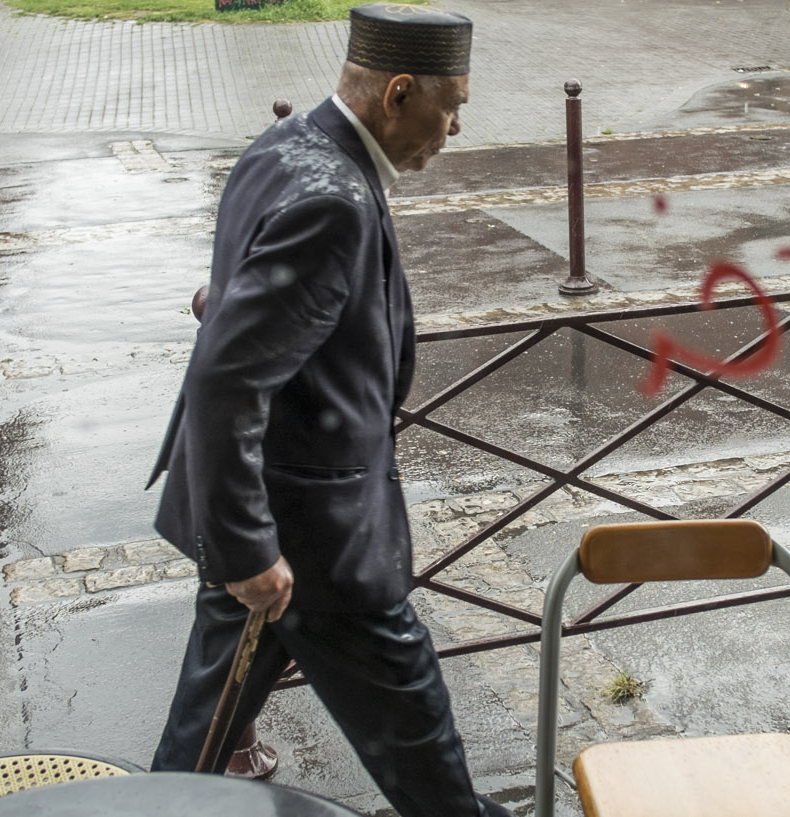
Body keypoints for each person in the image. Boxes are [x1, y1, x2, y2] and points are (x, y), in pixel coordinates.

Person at [144, 5, 509, 815]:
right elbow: (225, 380)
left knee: (195, 749)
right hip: (313, 542)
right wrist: (247, 552)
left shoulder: (283, 147)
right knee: (431, 770)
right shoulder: (334, 199)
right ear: (399, 92)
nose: (453, 131)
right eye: (452, 110)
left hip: (266, 516)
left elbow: (241, 317)